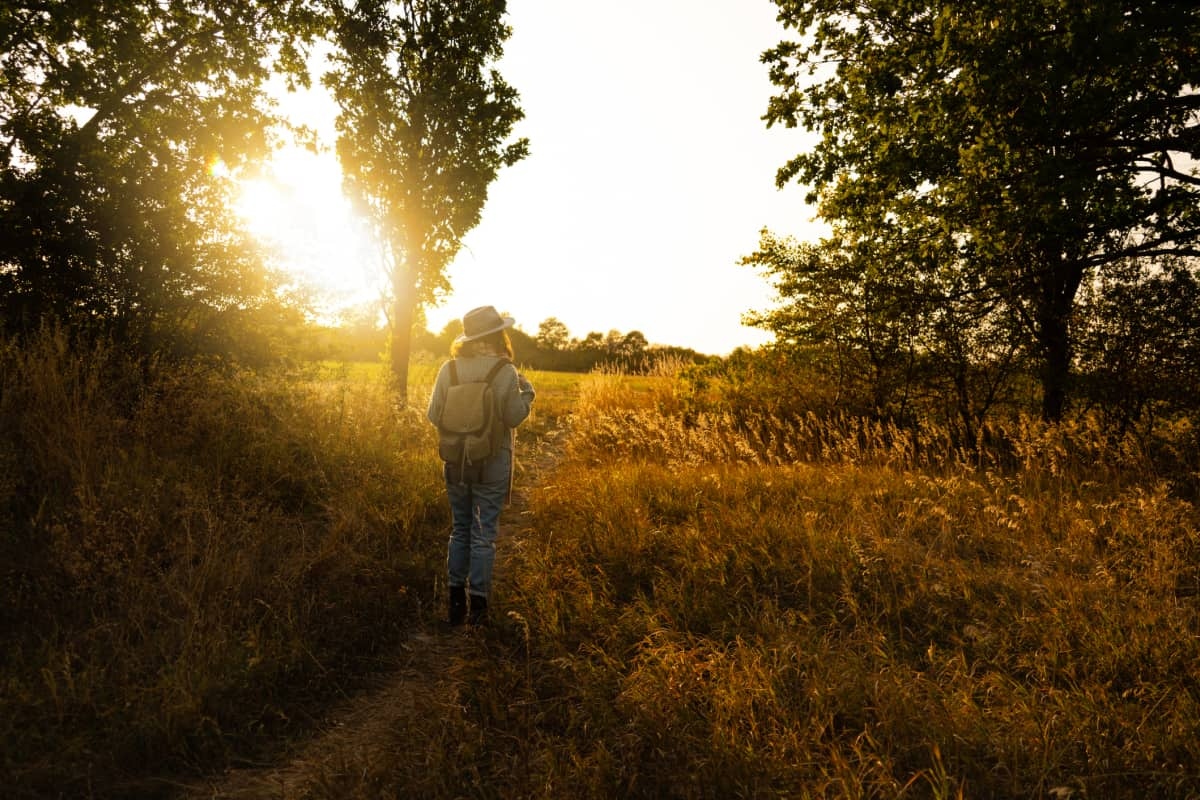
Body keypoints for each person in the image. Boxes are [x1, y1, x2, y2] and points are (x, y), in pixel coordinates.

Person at [426, 305, 535, 626]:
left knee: (460, 529)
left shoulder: (450, 369)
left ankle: (455, 603)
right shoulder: (505, 371)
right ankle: (479, 610)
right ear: (498, 336)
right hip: (492, 461)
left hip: (455, 460)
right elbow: (514, 416)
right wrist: (527, 394)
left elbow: (434, 415)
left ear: (468, 338)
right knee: (483, 533)